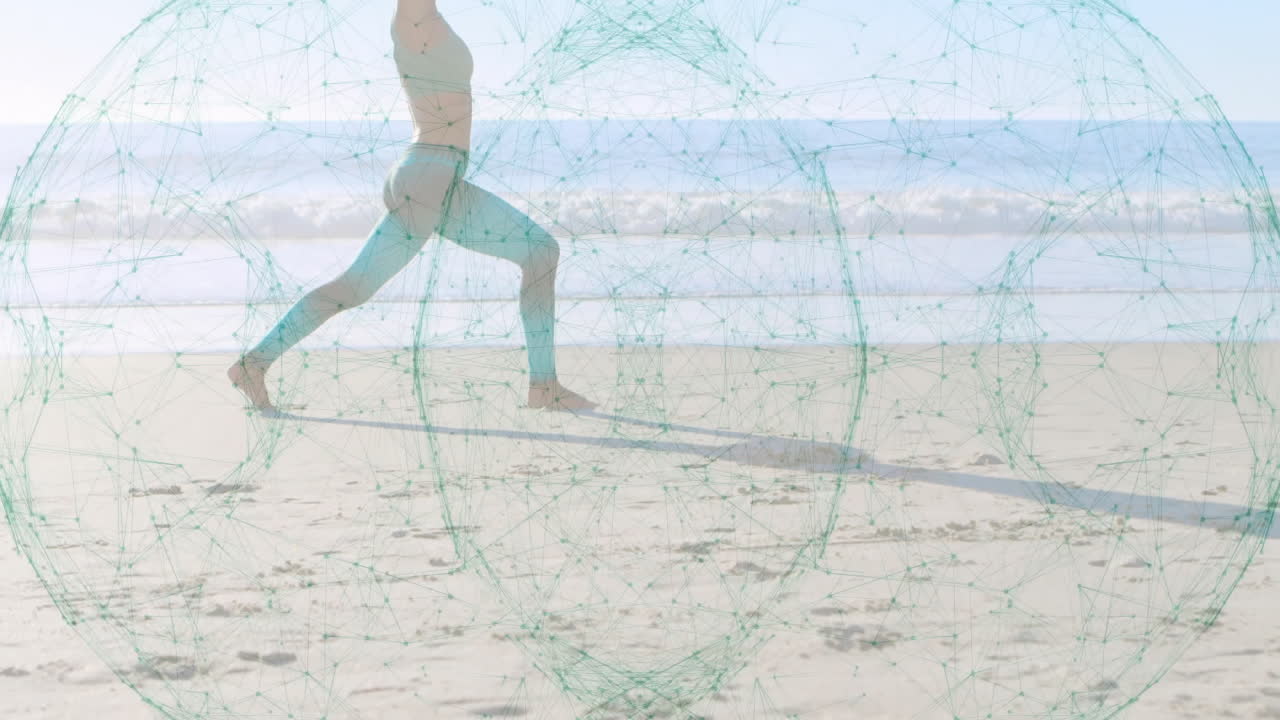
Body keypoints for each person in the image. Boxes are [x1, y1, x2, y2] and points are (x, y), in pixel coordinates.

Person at [229, 0, 595, 412]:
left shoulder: (432, 19)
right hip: (428, 175)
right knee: (353, 288)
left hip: (440, 177)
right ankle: (254, 364)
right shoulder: (412, 17)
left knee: (539, 252)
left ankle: (544, 385)